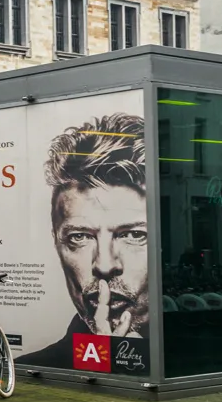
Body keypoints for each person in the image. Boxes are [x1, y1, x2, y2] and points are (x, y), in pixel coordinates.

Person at [18, 113, 148, 369]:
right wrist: (113, 360)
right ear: (56, 242)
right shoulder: (35, 368)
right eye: (80, 237)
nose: (105, 265)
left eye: (133, 235)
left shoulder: (206, 356)